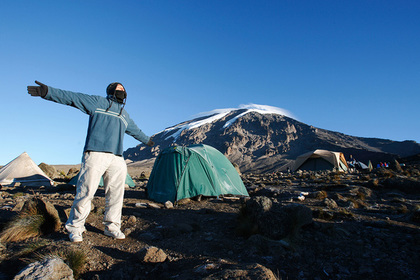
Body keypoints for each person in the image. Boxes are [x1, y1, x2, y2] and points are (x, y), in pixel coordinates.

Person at [27, 80, 154, 242]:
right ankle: (75, 227)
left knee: (116, 194)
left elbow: (136, 131)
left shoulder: (124, 115)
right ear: (111, 91)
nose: (123, 92)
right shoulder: (98, 102)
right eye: (119, 89)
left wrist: (148, 141)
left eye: (124, 90)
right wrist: (47, 92)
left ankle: (112, 226)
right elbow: (72, 97)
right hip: (95, 154)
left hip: (117, 158)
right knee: (86, 192)